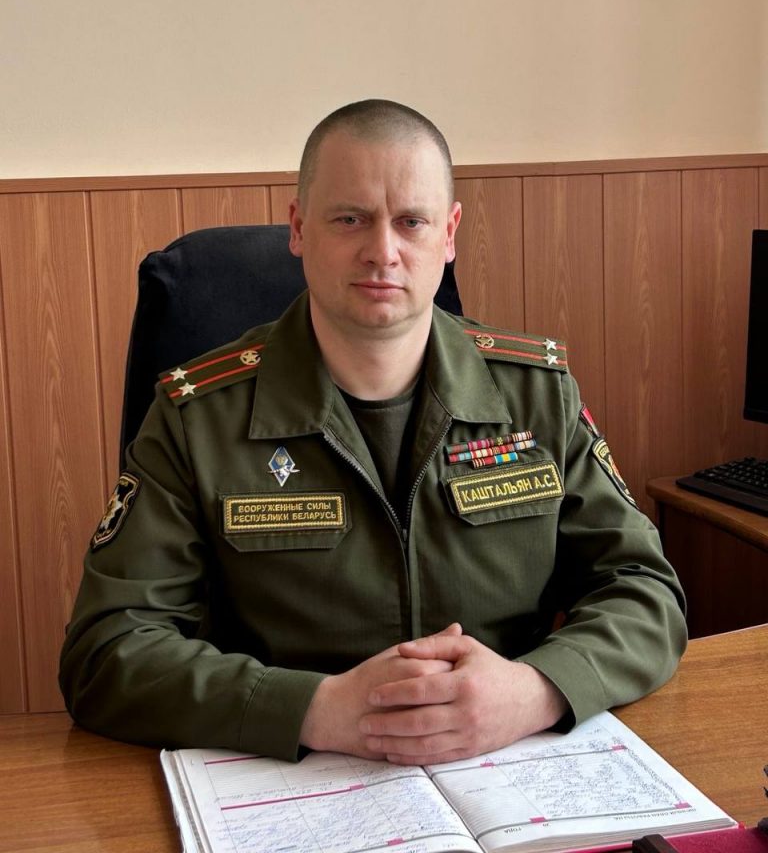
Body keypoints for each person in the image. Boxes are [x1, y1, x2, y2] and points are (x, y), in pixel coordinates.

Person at [59, 99, 687, 765]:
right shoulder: (198, 419)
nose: (382, 252)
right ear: (299, 228)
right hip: (287, 775)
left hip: (506, 766)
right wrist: (312, 708)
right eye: (350, 219)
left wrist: (536, 690)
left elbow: (644, 591)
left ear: (449, 234)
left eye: (411, 221)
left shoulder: (536, 396)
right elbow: (108, 649)